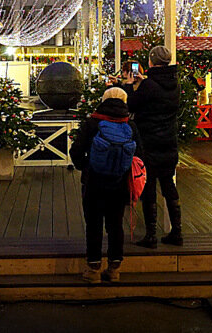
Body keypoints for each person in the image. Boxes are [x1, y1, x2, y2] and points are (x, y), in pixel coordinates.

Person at [70, 87, 142, 283]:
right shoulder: (130, 124)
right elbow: (139, 155)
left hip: (94, 182)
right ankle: (114, 269)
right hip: (119, 183)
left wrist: (85, 166)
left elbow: (76, 150)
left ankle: (93, 270)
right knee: (115, 225)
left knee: (93, 225)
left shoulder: (93, 122)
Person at [125, 45, 182, 248]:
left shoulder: (149, 86)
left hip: (149, 141)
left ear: (151, 61)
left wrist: (131, 85)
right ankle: (177, 232)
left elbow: (131, 104)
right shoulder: (174, 84)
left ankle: (151, 235)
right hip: (169, 141)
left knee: (148, 187)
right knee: (168, 185)